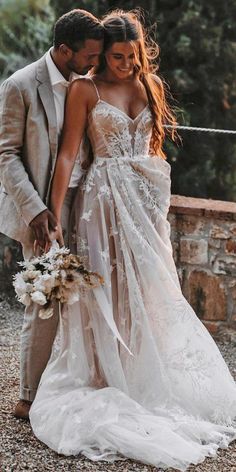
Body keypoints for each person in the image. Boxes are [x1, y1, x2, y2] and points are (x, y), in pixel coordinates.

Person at [29, 10, 236, 471]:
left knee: (148, 288)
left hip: (144, 204)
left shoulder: (150, 86)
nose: (125, 64)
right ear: (103, 53)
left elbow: (155, 146)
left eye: (132, 56)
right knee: (106, 287)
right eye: (117, 56)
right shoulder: (86, 89)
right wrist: (54, 213)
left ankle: (142, 370)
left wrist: (154, 195)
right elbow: (67, 153)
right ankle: (105, 372)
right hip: (102, 203)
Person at [0, 9, 103, 420]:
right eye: (89, 55)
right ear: (64, 50)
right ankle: (29, 394)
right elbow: (5, 155)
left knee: (92, 294)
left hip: (89, 204)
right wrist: (37, 210)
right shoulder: (21, 84)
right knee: (46, 301)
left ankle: (82, 382)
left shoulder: (91, 85)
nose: (94, 63)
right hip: (41, 211)